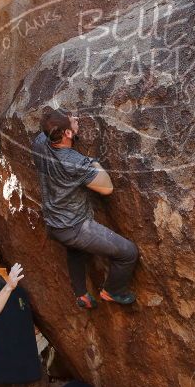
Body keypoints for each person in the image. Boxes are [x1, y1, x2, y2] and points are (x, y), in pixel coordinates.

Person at [31, 108, 138, 309]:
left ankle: (81, 294)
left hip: (54, 221)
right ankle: (113, 291)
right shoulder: (75, 162)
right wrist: (92, 163)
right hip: (75, 227)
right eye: (73, 121)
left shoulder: (39, 143)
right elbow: (107, 188)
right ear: (68, 134)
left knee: (75, 250)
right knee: (128, 253)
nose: (77, 119)